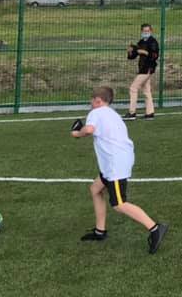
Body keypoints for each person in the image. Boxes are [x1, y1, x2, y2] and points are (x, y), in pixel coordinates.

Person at [70, 85, 169, 253]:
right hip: (117, 160)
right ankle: (100, 231)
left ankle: (155, 228)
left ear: (98, 100)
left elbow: (89, 130)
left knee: (119, 204)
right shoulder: (112, 114)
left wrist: (77, 133)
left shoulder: (96, 112)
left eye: (91, 101)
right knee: (95, 189)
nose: (90, 104)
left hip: (115, 165)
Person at [125, 23, 159, 120]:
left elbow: (155, 56)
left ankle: (132, 112)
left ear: (151, 31)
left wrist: (144, 52)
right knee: (146, 90)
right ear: (141, 31)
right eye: (144, 31)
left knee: (133, 88)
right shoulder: (140, 42)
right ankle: (150, 113)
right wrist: (130, 51)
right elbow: (132, 56)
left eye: (147, 31)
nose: (146, 32)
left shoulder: (153, 42)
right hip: (142, 68)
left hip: (148, 68)